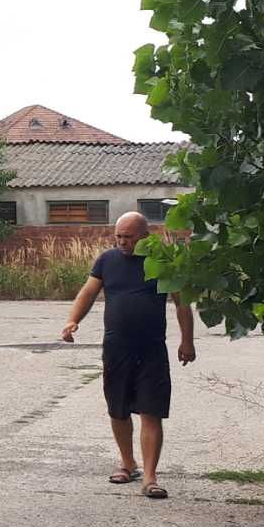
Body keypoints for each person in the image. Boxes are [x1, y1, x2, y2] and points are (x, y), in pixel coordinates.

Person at [60, 211, 195, 499]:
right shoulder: (107, 261)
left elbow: (182, 304)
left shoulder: (163, 261)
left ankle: (150, 477)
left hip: (152, 348)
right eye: (119, 236)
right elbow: (88, 292)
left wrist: (187, 342)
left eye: (128, 237)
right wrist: (73, 320)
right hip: (116, 347)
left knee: (151, 410)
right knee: (118, 408)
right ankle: (127, 463)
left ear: (145, 236)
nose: (122, 242)